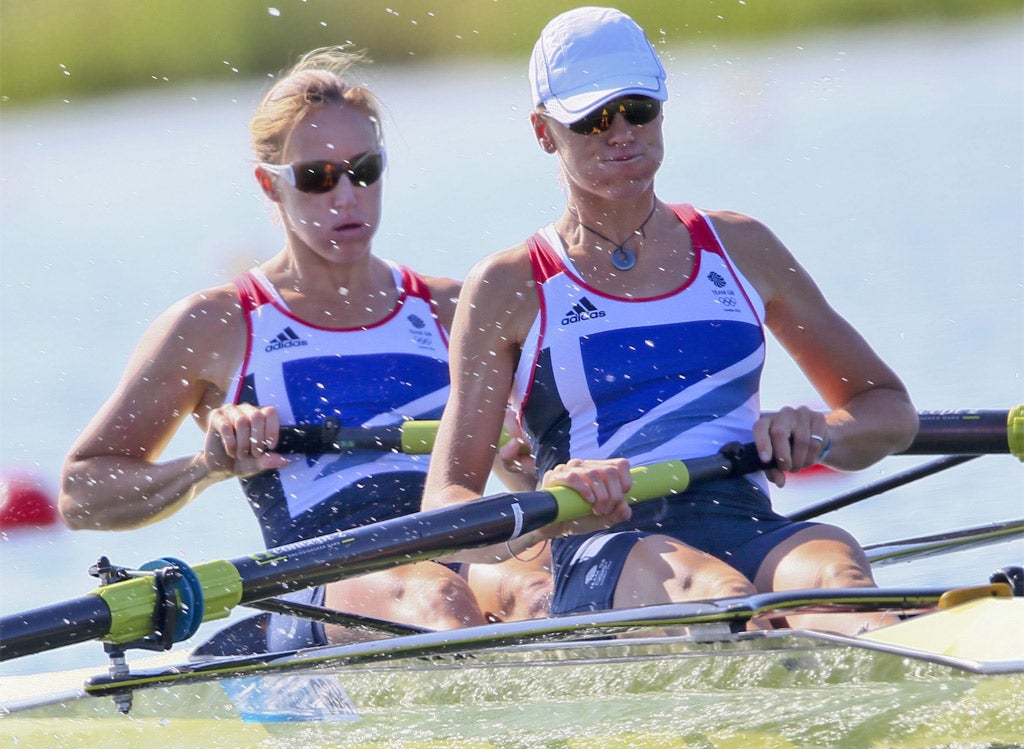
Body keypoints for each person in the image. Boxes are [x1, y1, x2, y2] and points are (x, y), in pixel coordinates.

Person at [422, 7, 919, 634]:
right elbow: (446, 507)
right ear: (544, 132)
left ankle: (901, 660)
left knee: (835, 568)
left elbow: (888, 410)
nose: (621, 131)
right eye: (593, 118)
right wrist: (552, 504)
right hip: (607, 548)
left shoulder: (742, 247)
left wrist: (821, 433)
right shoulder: (509, 285)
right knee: (714, 591)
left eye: (639, 108)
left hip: (744, 521)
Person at [57, 47, 540, 649]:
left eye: (364, 170)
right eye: (317, 178)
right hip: (322, 580)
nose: (347, 197)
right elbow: (82, 494)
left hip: (453, 552)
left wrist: (527, 469)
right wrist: (204, 467)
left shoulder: (453, 309)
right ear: (270, 184)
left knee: (541, 591)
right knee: (435, 599)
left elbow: (531, 473)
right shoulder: (217, 325)